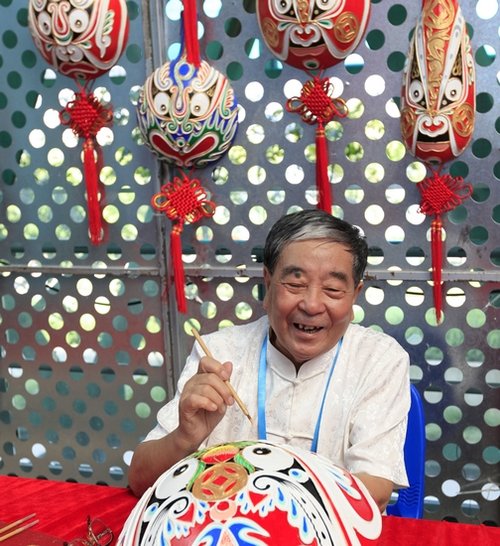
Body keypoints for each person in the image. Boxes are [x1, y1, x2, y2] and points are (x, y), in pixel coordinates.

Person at [128, 209, 410, 511]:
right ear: (268, 283)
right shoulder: (219, 351)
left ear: (354, 295)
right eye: (295, 284)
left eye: (332, 289)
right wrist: (185, 437)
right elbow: (140, 481)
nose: (312, 304)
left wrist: (269, 503)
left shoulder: (379, 359)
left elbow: (375, 489)